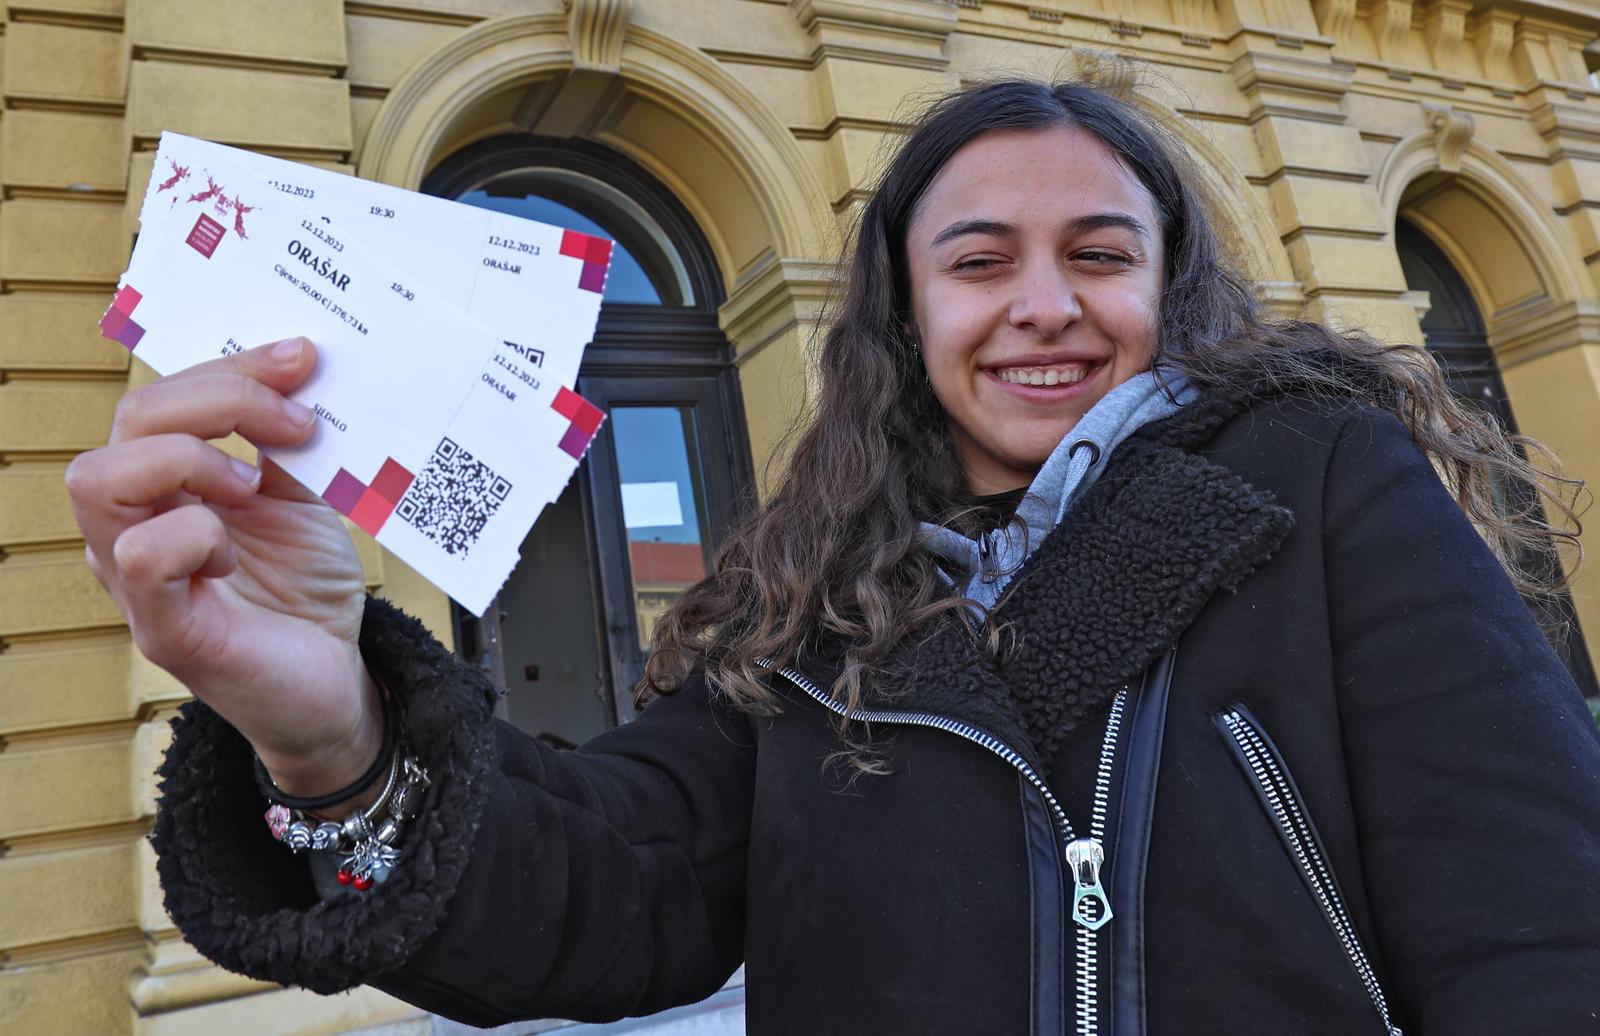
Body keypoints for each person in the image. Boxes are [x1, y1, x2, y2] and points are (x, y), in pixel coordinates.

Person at [66, 79, 1600, 1035]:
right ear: (907, 315)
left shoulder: (1322, 477)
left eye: (1101, 254)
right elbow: (621, 885)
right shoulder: (809, 605)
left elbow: (1539, 925)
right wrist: (330, 736)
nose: (1044, 303)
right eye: (980, 261)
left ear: (1170, 289)